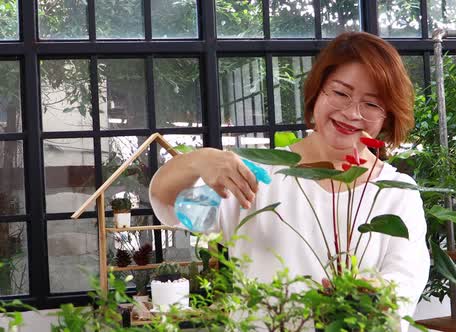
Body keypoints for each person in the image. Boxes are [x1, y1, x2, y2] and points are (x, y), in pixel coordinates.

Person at [149, 31, 429, 331]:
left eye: (372, 104)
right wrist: (197, 160)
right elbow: (170, 206)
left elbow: (402, 285)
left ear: (388, 116)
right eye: (340, 93)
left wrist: (374, 293)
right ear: (317, 91)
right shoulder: (260, 173)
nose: (351, 112)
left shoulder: (395, 194)